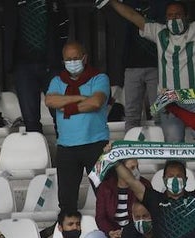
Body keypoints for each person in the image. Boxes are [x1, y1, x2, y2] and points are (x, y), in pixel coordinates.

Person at [104, 0, 195, 142]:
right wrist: (110, 2)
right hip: (170, 101)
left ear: (187, 16)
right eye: (170, 16)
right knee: (173, 147)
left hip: (192, 97)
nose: (173, 19)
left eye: (178, 15)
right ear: (165, 18)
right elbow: (132, 16)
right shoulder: (159, 32)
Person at [46, 42, 110, 213]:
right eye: (68, 59)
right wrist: (82, 98)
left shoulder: (100, 78)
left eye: (75, 58)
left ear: (85, 58)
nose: (72, 62)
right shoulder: (57, 80)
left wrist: (66, 104)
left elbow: (96, 102)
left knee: (106, 195)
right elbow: (51, 101)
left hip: (96, 145)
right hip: (67, 148)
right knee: (66, 201)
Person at [3, 0, 68, 133]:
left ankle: (65, 151)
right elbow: (6, 28)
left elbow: (64, 25)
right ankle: (38, 152)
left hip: (51, 64)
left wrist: (55, 53)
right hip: (22, 66)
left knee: (61, 115)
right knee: (30, 120)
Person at [111, 0, 168, 130]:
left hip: (157, 66)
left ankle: (160, 148)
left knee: (159, 112)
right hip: (131, 65)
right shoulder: (126, 4)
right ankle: (130, 149)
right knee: (131, 115)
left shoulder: (161, 4)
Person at [91, 159, 140, 238]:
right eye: (132, 168)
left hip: (136, 234)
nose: (136, 171)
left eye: (137, 167)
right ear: (120, 170)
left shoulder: (144, 185)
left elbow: (146, 216)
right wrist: (111, 232)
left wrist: (126, 233)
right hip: (112, 235)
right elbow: (101, 217)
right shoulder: (105, 187)